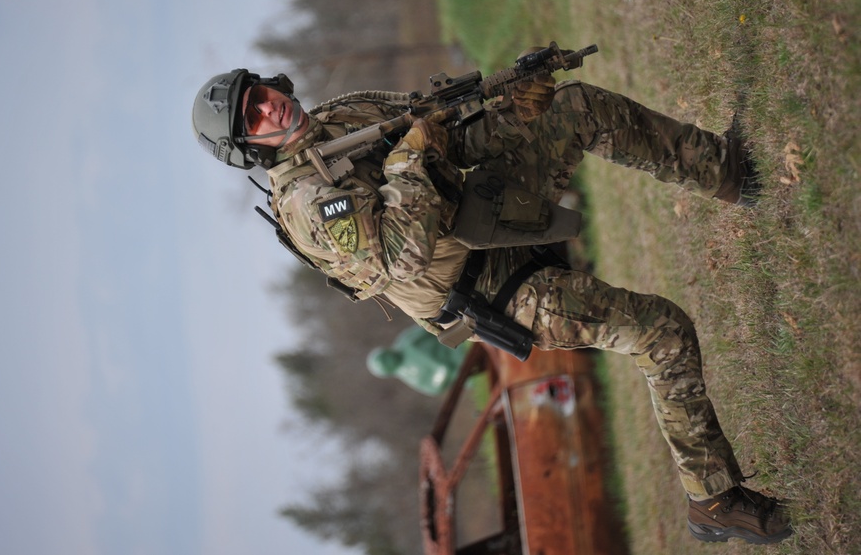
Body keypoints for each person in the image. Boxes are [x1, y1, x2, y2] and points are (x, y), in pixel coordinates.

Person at [190, 59, 791, 545]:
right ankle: (713, 499)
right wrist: (408, 159)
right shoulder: (306, 203)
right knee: (663, 332)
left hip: (480, 213)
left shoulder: (340, 115)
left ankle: (731, 170)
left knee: (577, 107)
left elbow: (440, 135)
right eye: (254, 115)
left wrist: (508, 109)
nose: (270, 103)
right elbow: (403, 254)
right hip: (484, 289)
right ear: (252, 145)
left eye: (261, 90)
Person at [367, 324, 469, 396]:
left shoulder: (406, 341)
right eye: (386, 363)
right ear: (389, 371)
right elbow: (433, 388)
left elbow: (428, 327)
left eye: (385, 357)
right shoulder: (408, 374)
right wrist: (442, 374)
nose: (389, 360)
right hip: (456, 370)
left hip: (456, 344)